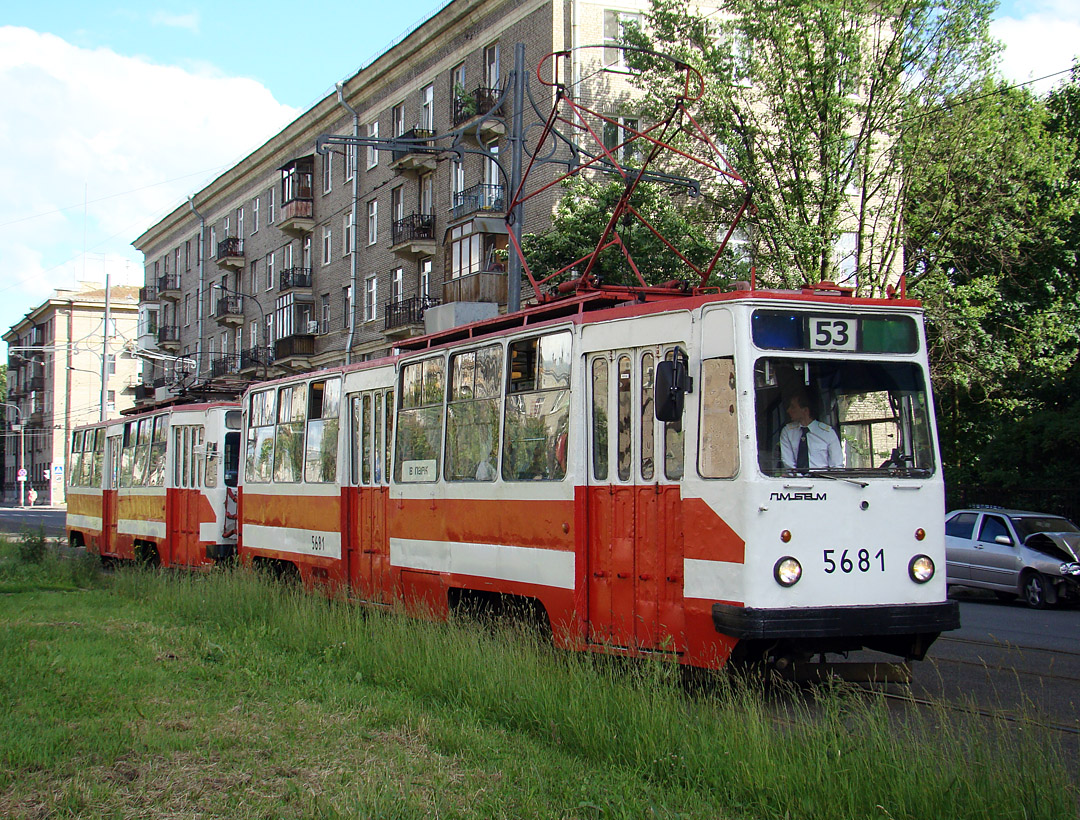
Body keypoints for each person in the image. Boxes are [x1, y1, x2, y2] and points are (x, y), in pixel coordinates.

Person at [779, 392, 843, 470]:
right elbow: (788, 463)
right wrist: (801, 479)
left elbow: (836, 466)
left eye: (793, 407)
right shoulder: (788, 432)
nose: (788, 410)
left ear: (805, 410)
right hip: (796, 480)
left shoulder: (828, 433)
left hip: (823, 480)